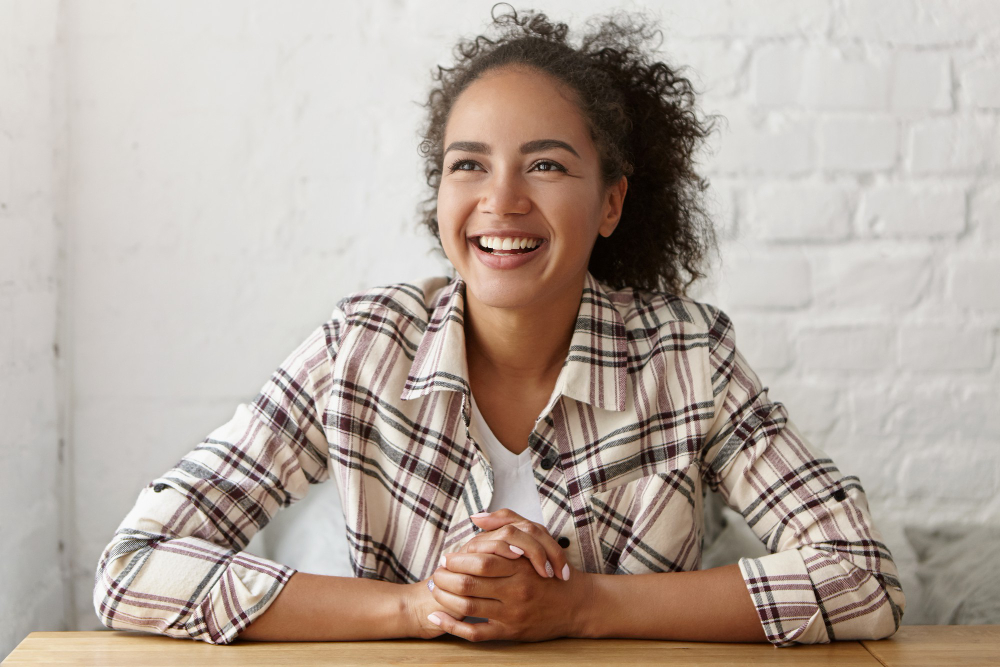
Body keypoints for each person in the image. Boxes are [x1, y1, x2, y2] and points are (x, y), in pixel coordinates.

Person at [93, 6, 905, 647]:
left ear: (612, 201)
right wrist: (417, 609)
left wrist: (581, 605)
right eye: (468, 164)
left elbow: (862, 576)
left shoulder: (690, 359)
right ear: (440, 192)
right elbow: (132, 568)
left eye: (546, 164)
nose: (502, 200)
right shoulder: (363, 348)